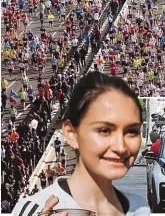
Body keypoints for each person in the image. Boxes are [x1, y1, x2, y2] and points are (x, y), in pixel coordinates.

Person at [12, 72, 150, 216]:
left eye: (132, 131)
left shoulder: (140, 207)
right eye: (104, 130)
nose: (121, 147)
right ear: (71, 133)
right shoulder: (33, 209)